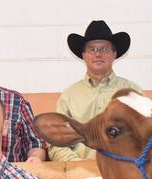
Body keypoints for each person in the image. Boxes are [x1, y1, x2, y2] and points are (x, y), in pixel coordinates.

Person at [48, 20, 142, 161]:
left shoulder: (132, 92)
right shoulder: (69, 96)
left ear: (114, 54)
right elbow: (56, 141)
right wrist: (77, 166)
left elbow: (147, 134)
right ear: (83, 55)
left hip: (125, 171)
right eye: (92, 49)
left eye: (104, 49)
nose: (98, 54)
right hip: (79, 173)